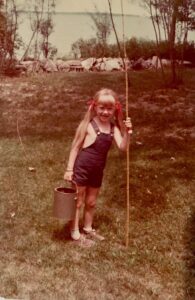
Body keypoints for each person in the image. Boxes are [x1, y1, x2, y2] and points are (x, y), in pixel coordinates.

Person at [64, 88, 132, 244]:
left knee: (91, 202)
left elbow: (123, 147)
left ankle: (87, 228)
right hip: (81, 169)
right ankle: (74, 231)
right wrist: (69, 169)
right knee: (78, 201)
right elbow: (75, 148)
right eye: (102, 108)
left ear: (115, 109)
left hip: (97, 171)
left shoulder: (113, 128)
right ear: (95, 107)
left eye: (109, 109)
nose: (105, 112)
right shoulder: (88, 125)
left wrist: (128, 132)